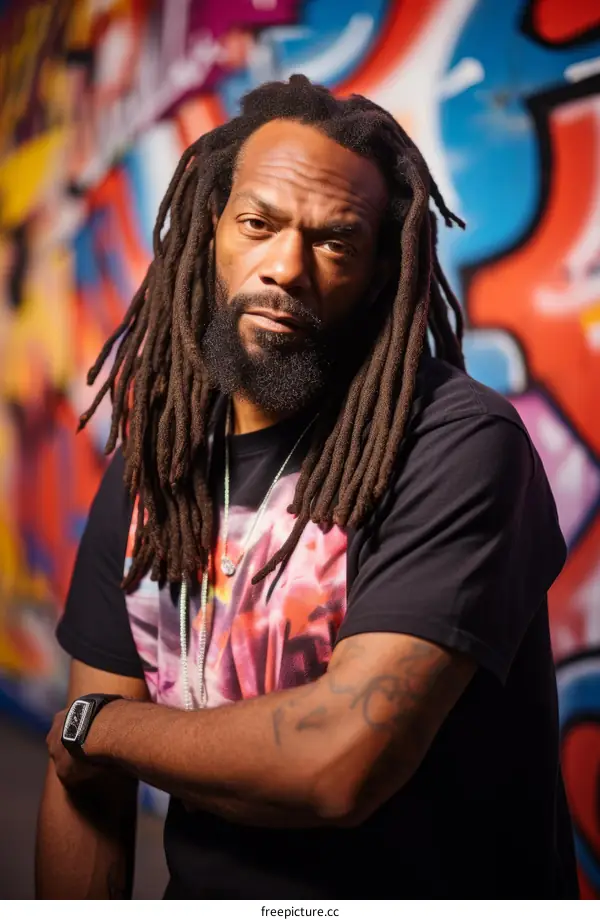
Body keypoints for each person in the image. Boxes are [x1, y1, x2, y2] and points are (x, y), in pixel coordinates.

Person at [36, 75, 578, 899]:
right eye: (258, 225)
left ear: (380, 272)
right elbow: (86, 794)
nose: (286, 267)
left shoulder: (457, 445)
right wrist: (94, 744)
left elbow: (336, 764)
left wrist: (101, 729)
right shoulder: (159, 466)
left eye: (334, 242)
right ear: (211, 230)